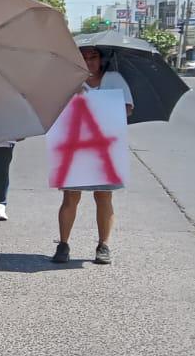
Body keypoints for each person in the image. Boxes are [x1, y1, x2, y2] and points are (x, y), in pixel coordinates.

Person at [53, 46, 135, 265]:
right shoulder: (69, 82)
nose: (89, 61)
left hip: (105, 147)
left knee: (103, 195)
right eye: (84, 57)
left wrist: (102, 105)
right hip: (75, 145)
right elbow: (55, 109)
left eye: (93, 56)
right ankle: (63, 244)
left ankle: (103, 245)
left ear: (101, 60)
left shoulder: (114, 78)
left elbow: (128, 108)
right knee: (71, 195)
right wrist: (76, 98)